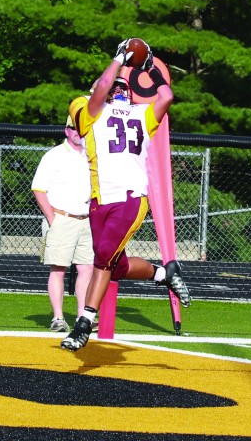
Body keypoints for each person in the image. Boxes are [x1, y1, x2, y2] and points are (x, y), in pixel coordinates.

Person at [61, 38, 190, 352]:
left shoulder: (141, 115)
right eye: (112, 85)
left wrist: (149, 69)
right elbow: (103, 85)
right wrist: (119, 60)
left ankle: (83, 323)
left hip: (131, 198)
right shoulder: (86, 109)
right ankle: (164, 272)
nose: (118, 86)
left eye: (124, 86)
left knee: (103, 259)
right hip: (99, 201)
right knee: (113, 266)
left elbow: (167, 95)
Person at [31, 116, 95, 333]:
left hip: (86, 220)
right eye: (74, 128)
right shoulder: (54, 155)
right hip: (61, 218)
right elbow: (38, 188)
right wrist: (52, 218)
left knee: (86, 269)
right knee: (58, 268)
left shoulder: (92, 154)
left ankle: (82, 318)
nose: (78, 132)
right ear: (66, 131)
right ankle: (58, 318)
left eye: (83, 128)